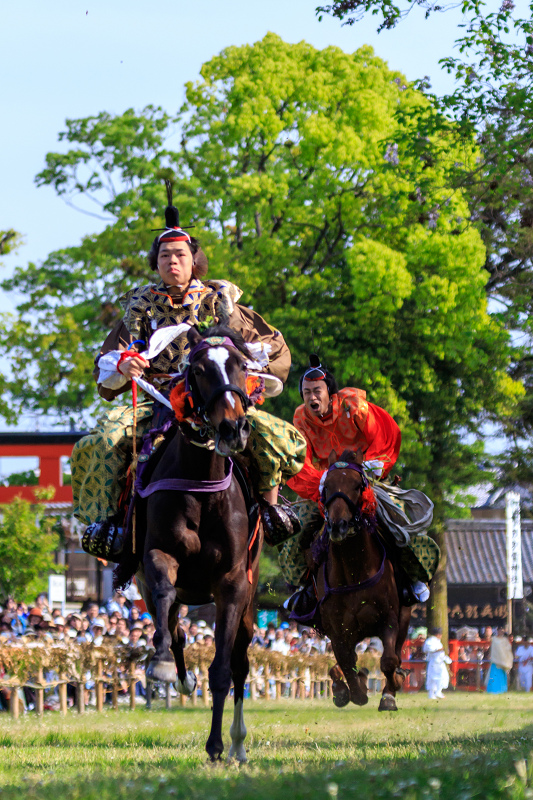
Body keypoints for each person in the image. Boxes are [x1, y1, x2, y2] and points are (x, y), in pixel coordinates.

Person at [72, 184, 306, 559]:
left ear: (194, 260)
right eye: (164, 255)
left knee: (275, 436)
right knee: (100, 442)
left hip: (216, 399)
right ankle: (109, 523)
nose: (172, 262)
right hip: (156, 399)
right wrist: (122, 363)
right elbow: (107, 366)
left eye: (180, 254)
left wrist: (252, 358)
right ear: (156, 262)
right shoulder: (139, 308)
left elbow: (273, 349)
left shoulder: (220, 302)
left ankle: (270, 507)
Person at [280, 355, 438, 614]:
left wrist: (373, 465)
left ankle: (414, 576)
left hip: (366, 478)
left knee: (398, 521)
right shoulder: (301, 418)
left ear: (329, 393)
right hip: (327, 487)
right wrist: (318, 480)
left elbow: (380, 434)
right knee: (299, 527)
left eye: (316, 391)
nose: (311, 397)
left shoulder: (352, 404)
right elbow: (301, 458)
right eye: (306, 392)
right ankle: (304, 587)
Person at [422, 627, 451, 699]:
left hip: (440, 662)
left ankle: (438, 692)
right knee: (432, 678)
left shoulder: (438, 641)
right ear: (438, 634)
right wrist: (438, 650)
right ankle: (431, 694)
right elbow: (427, 649)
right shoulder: (430, 641)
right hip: (434, 662)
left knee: (443, 676)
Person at [486, 628, 513, 693]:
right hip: (495, 661)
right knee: (494, 676)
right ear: (497, 631)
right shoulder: (494, 639)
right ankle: (492, 690)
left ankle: (502, 690)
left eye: (502, 631)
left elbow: (507, 650)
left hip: (502, 662)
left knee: (501, 676)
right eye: (500, 630)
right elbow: (493, 649)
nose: (501, 632)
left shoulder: (505, 640)